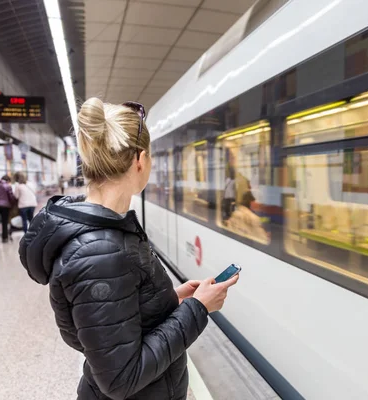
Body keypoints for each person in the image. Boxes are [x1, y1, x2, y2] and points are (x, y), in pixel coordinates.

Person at [19, 98, 238, 400]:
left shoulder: (107, 233)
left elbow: (104, 328)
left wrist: (171, 299)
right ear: (139, 160)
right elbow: (121, 378)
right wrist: (197, 309)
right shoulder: (100, 252)